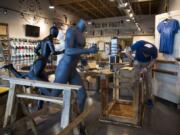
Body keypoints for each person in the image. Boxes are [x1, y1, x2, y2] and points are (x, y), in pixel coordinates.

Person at [1, 25, 64, 109]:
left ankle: (39, 108)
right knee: (28, 84)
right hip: (39, 64)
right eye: (56, 32)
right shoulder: (49, 40)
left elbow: (35, 50)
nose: (57, 34)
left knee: (44, 86)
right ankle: (11, 68)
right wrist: (63, 51)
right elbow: (53, 53)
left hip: (39, 63)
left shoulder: (43, 40)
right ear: (54, 32)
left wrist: (42, 58)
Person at [51, 19, 99, 113]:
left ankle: (78, 118)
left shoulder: (81, 34)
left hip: (72, 69)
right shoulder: (71, 30)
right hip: (65, 67)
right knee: (53, 95)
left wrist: (82, 59)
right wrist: (88, 50)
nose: (86, 25)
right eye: (84, 24)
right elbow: (68, 51)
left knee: (82, 94)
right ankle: (39, 90)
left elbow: (77, 50)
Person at [126, 40, 158, 107]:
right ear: (142, 50)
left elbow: (154, 60)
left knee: (148, 82)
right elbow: (127, 51)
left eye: (147, 55)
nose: (145, 56)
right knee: (135, 80)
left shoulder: (154, 50)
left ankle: (149, 99)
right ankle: (135, 96)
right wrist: (133, 59)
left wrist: (147, 68)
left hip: (147, 63)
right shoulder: (139, 44)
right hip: (137, 62)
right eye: (144, 54)